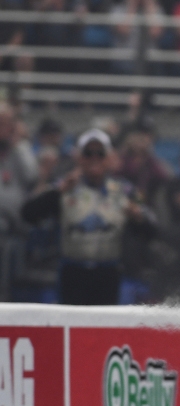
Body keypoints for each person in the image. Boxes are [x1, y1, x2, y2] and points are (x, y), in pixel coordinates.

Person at [21, 129, 156, 305]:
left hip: (109, 273)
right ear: (79, 157)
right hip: (72, 272)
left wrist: (137, 216)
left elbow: (153, 227)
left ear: (109, 157)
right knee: (71, 319)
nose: (94, 158)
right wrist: (57, 192)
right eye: (88, 153)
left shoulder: (124, 190)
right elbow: (28, 214)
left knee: (105, 320)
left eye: (100, 153)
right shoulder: (64, 187)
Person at [0, 104, 38, 228]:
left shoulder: (20, 150)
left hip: (16, 228)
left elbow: (32, 177)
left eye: (5, 124)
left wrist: (18, 144)